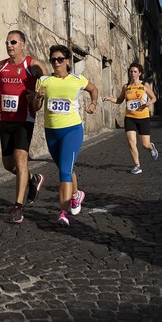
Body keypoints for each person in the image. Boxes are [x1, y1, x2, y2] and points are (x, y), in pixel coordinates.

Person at [33, 45, 98, 226]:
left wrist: (93, 104)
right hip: (51, 131)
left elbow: (94, 89)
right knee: (66, 168)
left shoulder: (77, 79)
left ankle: (62, 212)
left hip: (72, 130)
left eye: (60, 59)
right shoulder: (44, 80)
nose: (56, 63)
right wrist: (38, 97)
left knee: (63, 172)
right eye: (53, 60)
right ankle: (76, 194)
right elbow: (35, 107)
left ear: (68, 61)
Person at [0, 30, 48, 223]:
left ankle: (17, 206)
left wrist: (39, 94)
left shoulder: (32, 64)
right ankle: (33, 179)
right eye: (7, 42)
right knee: (8, 164)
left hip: (24, 119)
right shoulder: (2, 65)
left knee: (20, 160)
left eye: (13, 42)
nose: (9, 45)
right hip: (5, 119)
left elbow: (46, 83)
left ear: (22, 44)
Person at [103, 62, 158, 175]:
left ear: (140, 73)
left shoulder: (145, 85)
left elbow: (154, 98)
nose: (132, 73)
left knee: (144, 144)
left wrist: (149, 103)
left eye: (135, 71)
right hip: (130, 118)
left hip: (143, 118)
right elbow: (119, 100)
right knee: (131, 142)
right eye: (131, 71)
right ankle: (137, 165)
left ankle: (151, 147)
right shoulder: (126, 87)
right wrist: (109, 98)